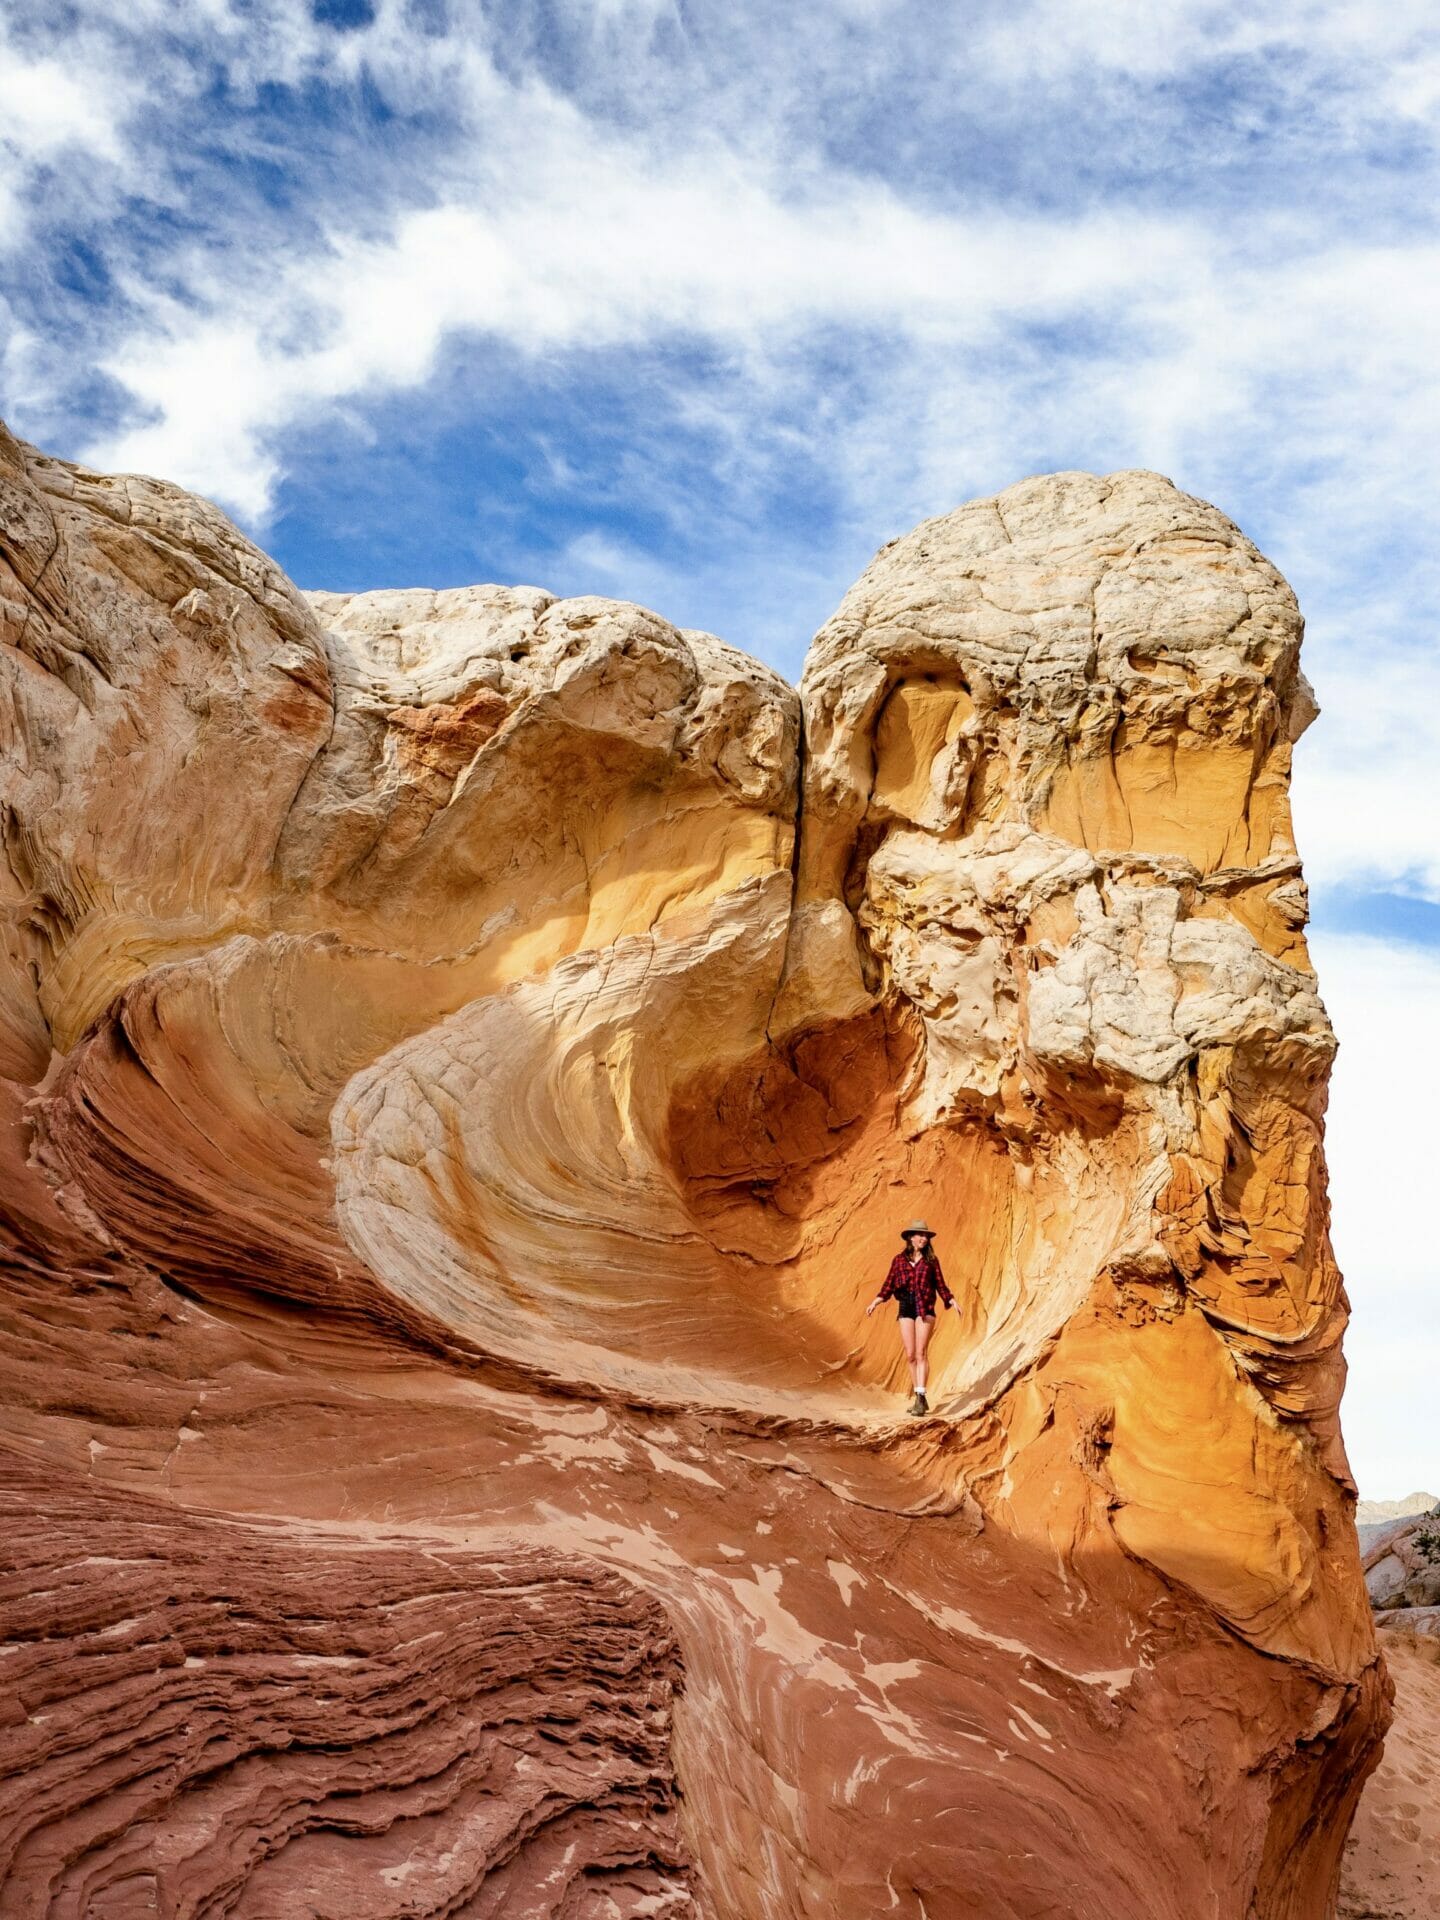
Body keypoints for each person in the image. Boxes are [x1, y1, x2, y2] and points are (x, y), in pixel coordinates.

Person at [865, 1219, 957, 1417]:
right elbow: (888, 1284)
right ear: (910, 1238)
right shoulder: (898, 1260)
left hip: (925, 1307)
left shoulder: (932, 1261)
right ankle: (918, 1395)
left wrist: (952, 1300)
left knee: (921, 1352)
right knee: (910, 1354)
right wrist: (876, 1301)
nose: (924, 1238)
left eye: (926, 1236)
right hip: (906, 1306)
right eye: (920, 1235)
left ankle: (920, 1398)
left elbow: (940, 1285)